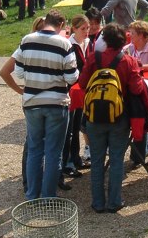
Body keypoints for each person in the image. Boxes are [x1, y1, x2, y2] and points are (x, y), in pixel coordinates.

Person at [0, 10, 79, 200]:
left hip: (32, 101)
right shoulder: (64, 43)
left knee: (35, 150)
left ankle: (31, 194)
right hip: (56, 102)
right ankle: (48, 196)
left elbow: (18, 73)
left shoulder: (27, 40)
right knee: (53, 152)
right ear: (60, 24)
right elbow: (72, 77)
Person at [77, 23, 145, 213]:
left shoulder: (93, 58)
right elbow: (137, 89)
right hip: (119, 117)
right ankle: (114, 201)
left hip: (94, 117)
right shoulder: (128, 60)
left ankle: (97, 202)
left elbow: (82, 83)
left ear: (104, 39)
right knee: (116, 160)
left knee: (97, 161)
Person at [62, 14, 90, 178]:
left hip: (81, 91)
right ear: (74, 29)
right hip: (70, 91)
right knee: (69, 129)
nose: (86, 32)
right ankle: (67, 163)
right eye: (83, 29)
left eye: (87, 29)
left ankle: (75, 157)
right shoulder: (70, 45)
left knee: (77, 125)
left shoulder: (86, 43)